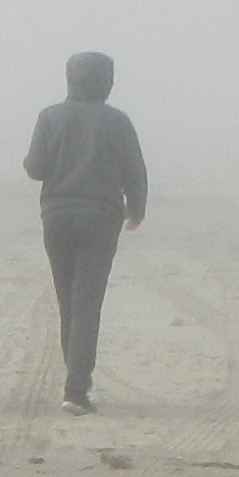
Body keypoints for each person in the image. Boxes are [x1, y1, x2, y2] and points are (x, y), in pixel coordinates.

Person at [21, 50, 148, 414]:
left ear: (69, 79)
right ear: (107, 82)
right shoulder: (118, 122)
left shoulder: (49, 117)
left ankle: (74, 379)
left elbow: (36, 168)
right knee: (87, 302)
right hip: (101, 219)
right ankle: (76, 388)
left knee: (67, 301)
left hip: (57, 217)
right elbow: (135, 172)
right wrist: (136, 211)